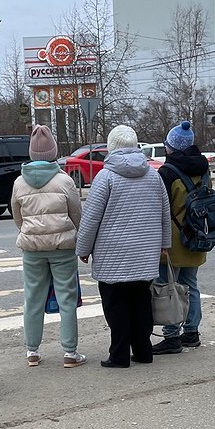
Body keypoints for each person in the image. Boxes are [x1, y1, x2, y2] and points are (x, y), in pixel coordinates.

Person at [76, 125, 171, 368]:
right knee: (141, 303)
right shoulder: (153, 175)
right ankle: (143, 351)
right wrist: (164, 244)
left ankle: (118, 355)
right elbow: (164, 213)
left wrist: (83, 249)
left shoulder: (105, 177)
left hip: (112, 255)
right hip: (145, 253)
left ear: (111, 147)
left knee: (116, 306)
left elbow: (91, 218)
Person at [11, 125, 87, 368]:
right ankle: (70, 353)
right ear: (54, 151)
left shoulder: (19, 183)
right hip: (62, 247)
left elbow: (17, 216)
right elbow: (77, 214)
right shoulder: (64, 181)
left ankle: (32, 351)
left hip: (32, 247)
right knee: (66, 297)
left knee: (33, 297)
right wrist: (76, 237)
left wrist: (29, 232)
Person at [151, 120, 210, 354]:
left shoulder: (167, 173)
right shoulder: (203, 168)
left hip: (173, 241)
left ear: (172, 147)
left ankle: (171, 336)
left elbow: (160, 209)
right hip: (196, 236)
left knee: (169, 287)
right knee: (191, 286)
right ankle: (192, 333)